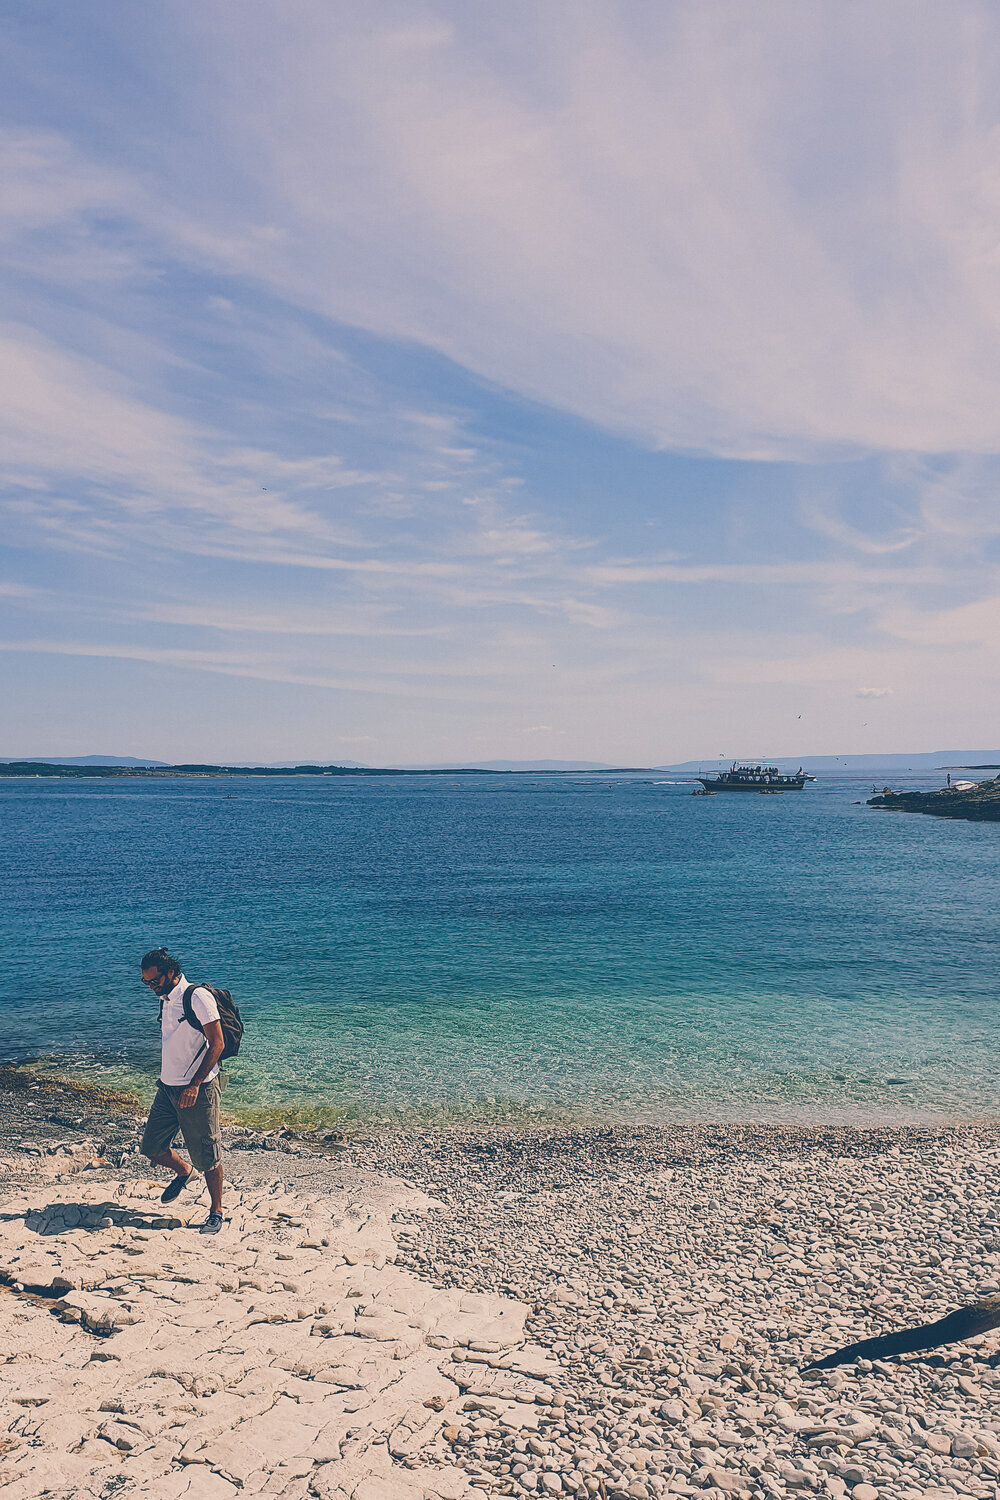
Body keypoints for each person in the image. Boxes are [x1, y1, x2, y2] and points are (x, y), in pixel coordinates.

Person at [138, 947, 226, 1233]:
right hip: (167, 1088)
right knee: (152, 1148)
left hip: (197, 1090)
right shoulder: (165, 999)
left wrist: (195, 1084)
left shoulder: (197, 997)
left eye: (155, 981)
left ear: (172, 973)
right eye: (146, 982)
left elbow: (217, 1043)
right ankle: (183, 1172)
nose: (151, 987)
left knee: (208, 1157)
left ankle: (216, 1211)